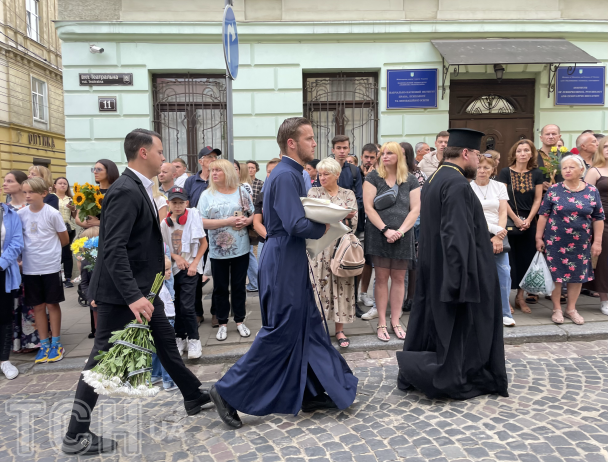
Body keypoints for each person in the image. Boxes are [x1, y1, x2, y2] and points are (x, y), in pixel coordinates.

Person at [62, 129, 212, 455]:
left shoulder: (140, 187)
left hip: (145, 289)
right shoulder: (126, 190)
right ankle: (75, 435)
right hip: (123, 294)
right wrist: (133, 296)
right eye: (159, 151)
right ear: (143, 153)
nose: (163, 157)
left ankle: (193, 394)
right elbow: (113, 249)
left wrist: (147, 291)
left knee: (165, 342)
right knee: (101, 361)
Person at [208, 117, 357, 428]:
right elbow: (295, 224)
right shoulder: (287, 175)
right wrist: (331, 224)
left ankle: (313, 389)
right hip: (283, 256)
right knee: (283, 330)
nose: (315, 144)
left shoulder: (292, 173)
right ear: (292, 143)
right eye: (309, 139)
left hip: (287, 254)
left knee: (310, 326)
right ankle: (227, 391)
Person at [397, 127, 508, 400]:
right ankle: (449, 375)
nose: (479, 162)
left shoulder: (436, 177)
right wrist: (461, 280)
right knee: (458, 329)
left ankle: (418, 370)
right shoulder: (457, 184)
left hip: (434, 268)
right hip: (454, 272)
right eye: (478, 156)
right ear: (467, 153)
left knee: (434, 323)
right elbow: (456, 235)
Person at [361, 141, 420, 342]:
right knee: (381, 278)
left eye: (389, 153)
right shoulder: (373, 177)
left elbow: (415, 209)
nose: (384, 156)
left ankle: (396, 322)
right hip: (378, 234)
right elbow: (369, 208)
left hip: (403, 236)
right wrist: (386, 230)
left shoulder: (410, 180)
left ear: (399, 156)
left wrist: (401, 231)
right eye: (382, 153)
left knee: (398, 279)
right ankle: (381, 323)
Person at [536, 155, 604, 326]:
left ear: (582, 170)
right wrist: (538, 237)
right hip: (555, 240)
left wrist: (597, 242)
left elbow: (598, 217)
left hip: (581, 241)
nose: (566, 170)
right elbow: (543, 216)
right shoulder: (554, 190)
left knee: (577, 275)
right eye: (564, 168)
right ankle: (557, 308)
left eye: (571, 167)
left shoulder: (591, 190)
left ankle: (571, 309)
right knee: (557, 275)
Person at [199, 159, 253, 342]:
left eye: (218, 170)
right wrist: (227, 222)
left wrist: (247, 221)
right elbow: (201, 221)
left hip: (241, 248)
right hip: (217, 250)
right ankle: (222, 323)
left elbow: (252, 213)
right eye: (212, 170)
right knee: (220, 288)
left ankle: (239, 320)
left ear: (228, 172)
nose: (214, 173)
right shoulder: (207, 195)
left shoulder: (241, 191)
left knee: (239, 287)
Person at [18, 177, 69, 364]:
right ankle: (44, 343)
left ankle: (56, 342)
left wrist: (50, 252)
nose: (28, 195)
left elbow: (64, 239)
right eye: (25, 192)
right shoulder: (21, 214)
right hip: (30, 268)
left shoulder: (52, 213)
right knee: (37, 306)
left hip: (50, 266)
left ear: (43, 194)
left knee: (52, 304)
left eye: (31, 192)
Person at [308, 158, 358, 348]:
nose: (321, 177)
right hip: (319, 249)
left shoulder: (348, 194)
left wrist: (339, 216)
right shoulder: (314, 192)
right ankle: (319, 329)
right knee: (318, 288)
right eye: (320, 174)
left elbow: (353, 222)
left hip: (341, 249)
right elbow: (312, 218)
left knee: (341, 286)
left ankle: (339, 330)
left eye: (326, 174)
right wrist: (340, 214)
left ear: (337, 175)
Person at [497, 140, 544, 312]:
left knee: (526, 259)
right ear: (514, 154)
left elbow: (538, 199)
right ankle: (507, 298)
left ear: (531, 154)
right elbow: (502, 199)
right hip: (509, 220)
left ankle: (520, 297)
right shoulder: (505, 172)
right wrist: (516, 219)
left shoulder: (537, 173)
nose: (523, 153)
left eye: (526, 150)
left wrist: (530, 219)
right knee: (509, 260)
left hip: (529, 222)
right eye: (519, 150)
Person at [161, 186, 207, 359]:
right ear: (168, 204)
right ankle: (180, 337)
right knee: (176, 306)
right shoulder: (164, 225)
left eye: (181, 202)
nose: (178, 206)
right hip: (172, 270)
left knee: (187, 306)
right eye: (174, 202)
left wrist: (195, 263)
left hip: (191, 269)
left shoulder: (193, 219)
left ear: (187, 203)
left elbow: (203, 244)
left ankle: (194, 339)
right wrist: (175, 257)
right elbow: (163, 247)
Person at [471, 154, 515, 327]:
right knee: (477, 273)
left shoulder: (498, 187)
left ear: (493, 170)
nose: (482, 171)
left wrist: (498, 235)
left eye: (486, 168)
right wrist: (493, 230)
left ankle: (504, 312)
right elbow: (471, 215)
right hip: (475, 233)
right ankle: (479, 313)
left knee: (504, 272)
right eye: (479, 167)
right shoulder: (467, 187)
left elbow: (503, 212)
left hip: (499, 233)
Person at [3, 171, 37, 353]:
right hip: (10, 262)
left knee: (30, 301)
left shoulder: (29, 206)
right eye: (4, 181)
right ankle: (15, 342)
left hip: (30, 259)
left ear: (20, 184)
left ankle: (32, 340)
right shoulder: (6, 209)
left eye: (10, 181)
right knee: (13, 302)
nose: (5, 184)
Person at [0, 199, 24, 379]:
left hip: (2, 270)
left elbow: (16, 243)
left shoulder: (10, 215)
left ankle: (4, 360)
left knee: (3, 315)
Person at [584, 137, 608, 314]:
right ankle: (604, 299)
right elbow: (585, 199)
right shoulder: (595, 171)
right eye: (605, 146)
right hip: (602, 221)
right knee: (604, 261)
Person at [401, 142, 425, 313]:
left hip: (415, 221)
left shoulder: (417, 173)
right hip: (396, 222)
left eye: (402, 153)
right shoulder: (390, 172)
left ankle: (411, 297)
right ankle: (399, 297)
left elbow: (420, 201)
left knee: (414, 261)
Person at [150, 256, 179, 391]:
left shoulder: (160, 285)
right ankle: (168, 380)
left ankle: (155, 375)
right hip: (166, 319)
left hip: (163, 319)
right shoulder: (159, 289)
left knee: (156, 350)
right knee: (166, 350)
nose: (169, 272)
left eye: (169, 269)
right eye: (166, 270)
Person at [358, 143, 379, 310]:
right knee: (355, 260)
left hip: (374, 223)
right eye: (367, 157)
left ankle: (364, 293)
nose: (369, 160)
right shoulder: (354, 172)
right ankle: (354, 294)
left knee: (369, 261)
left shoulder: (379, 174)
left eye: (372, 157)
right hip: (358, 223)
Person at [234, 160, 258, 293]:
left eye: (236, 169)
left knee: (248, 254)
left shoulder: (243, 187)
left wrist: (247, 220)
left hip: (242, 227)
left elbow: (250, 208)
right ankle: (254, 282)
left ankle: (254, 282)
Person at [76, 159, 119, 229]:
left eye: (99, 169)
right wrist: (88, 224)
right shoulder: (89, 191)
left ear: (109, 172)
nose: (95, 172)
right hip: (89, 234)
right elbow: (78, 217)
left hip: (107, 234)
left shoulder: (116, 192)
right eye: (94, 169)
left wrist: (99, 223)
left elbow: (120, 218)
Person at [252, 158, 281, 256]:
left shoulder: (290, 194)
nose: (271, 174)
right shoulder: (262, 196)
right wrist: (269, 238)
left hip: (286, 241)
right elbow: (256, 223)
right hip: (265, 241)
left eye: (275, 171)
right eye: (269, 172)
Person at [53, 177, 77, 288]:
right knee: (56, 253)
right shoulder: (52, 198)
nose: (63, 185)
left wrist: (73, 209)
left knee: (67, 253)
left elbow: (74, 216)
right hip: (54, 229)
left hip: (68, 228)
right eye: (60, 183)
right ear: (55, 185)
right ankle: (55, 276)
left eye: (65, 184)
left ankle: (68, 278)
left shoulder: (70, 198)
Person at [538, 124, 567, 190]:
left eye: (554, 134)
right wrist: (539, 184)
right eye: (547, 134)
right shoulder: (533, 156)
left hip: (561, 194)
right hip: (538, 196)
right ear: (541, 138)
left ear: (559, 137)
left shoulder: (566, 156)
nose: (550, 137)